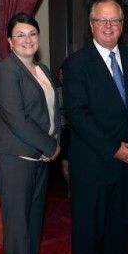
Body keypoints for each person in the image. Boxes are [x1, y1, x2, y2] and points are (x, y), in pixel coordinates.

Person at [62, 0, 128, 254]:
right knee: (88, 227)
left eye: (115, 20)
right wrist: (115, 149)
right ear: (91, 25)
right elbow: (78, 115)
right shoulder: (77, 63)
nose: (108, 26)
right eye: (102, 20)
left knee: (120, 223)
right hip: (94, 161)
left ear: (122, 26)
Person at [0, 12, 61, 254]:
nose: (27, 39)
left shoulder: (41, 69)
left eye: (32, 33)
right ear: (9, 41)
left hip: (39, 158)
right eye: (20, 35)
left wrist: (54, 141)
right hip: (13, 158)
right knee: (17, 230)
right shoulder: (4, 71)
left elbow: (53, 112)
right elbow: (17, 119)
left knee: (31, 226)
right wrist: (51, 146)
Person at [56, 66, 71, 197]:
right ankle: (70, 188)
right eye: (60, 74)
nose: (62, 76)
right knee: (64, 163)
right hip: (62, 133)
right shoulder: (56, 92)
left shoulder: (75, 91)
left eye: (64, 73)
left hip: (75, 133)